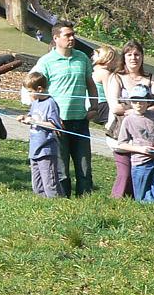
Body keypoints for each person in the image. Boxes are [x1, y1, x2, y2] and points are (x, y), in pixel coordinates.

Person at [34, 21, 98, 197]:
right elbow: (36, 90)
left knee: (84, 167)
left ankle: (86, 201)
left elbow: (90, 83)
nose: (72, 38)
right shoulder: (46, 62)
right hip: (58, 124)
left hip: (80, 121)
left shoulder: (82, 58)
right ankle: (63, 202)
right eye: (67, 35)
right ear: (55, 38)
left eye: (73, 34)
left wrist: (94, 106)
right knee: (61, 169)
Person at [106, 40, 154, 199]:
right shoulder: (116, 77)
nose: (133, 58)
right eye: (129, 54)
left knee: (149, 171)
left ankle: (143, 201)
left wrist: (138, 111)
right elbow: (115, 107)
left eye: (137, 54)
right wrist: (138, 111)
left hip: (148, 134)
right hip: (121, 131)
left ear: (142, 57)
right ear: (124, 57)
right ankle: (116, 202)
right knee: (125, 174)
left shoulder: (152, 79)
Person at [17, 72, 63, 198]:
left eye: (30, 91)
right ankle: (42, 207)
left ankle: (58, 205)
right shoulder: (35, 102)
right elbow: (33, 118)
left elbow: (55, 126)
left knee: (50, 183)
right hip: (34, 149)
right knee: (37, 185)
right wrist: (25, 118)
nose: (29, 94)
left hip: (46, 150)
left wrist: (34, 121)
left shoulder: (50, 103)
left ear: (40, 89)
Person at [116, 84, 154, 203]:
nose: (138, 104)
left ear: (148, 102)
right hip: (140, 163)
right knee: (141, 196)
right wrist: (140, 149)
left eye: (141, 101)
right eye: (135, 101)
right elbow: (121, 144)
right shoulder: (128, 120)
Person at [91, 46, 118, 127]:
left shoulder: (94, 70)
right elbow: (109, 95)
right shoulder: (105, 73)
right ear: (109, 60)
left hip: (90, 105)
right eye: (115, 60)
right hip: (101, 106)